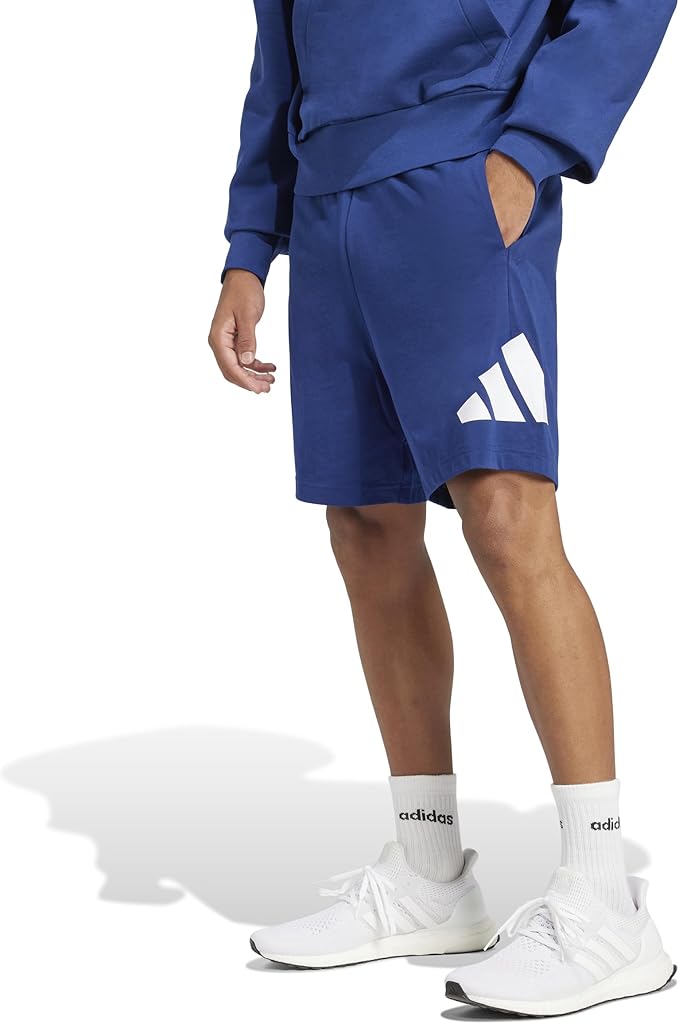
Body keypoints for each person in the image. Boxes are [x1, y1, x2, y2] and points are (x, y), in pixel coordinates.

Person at [209, 0, 676, 1015]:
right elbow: (277, 53)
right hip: (327, 200)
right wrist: (251, 240)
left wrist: (529, 151)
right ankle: (428, 873)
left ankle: (604, 901)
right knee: (365, 523)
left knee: (506, 512)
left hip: (459, 172)